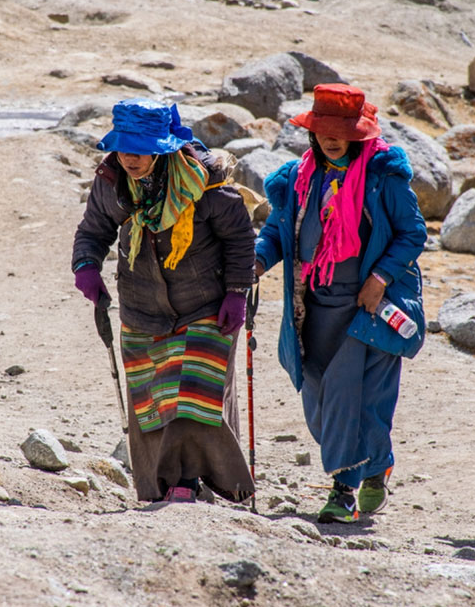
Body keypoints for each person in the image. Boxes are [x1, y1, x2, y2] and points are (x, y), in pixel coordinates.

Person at [255, 84, 428, 523]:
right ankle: (376, 463)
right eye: (324, 130)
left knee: (356, 399)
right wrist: (256, 261)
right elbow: (279, 232)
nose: (331, 138)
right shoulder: (298, 178)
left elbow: (413, 233)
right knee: (319, 399)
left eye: (341, 130)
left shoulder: (382, 178)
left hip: (367, 306)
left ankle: (343, 491)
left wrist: (379, 277)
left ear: (359, 133)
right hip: (312, 307)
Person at [71, 97, 256, 504]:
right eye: (125, 149)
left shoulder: (204, 184)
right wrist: (86, 265)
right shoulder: (112, 183)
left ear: (163, 148)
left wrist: (237, 292)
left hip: (205, 308)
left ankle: (190, 484)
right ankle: (166, 485)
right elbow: (92, 231)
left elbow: (241, 238)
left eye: (141, 150)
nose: (131, 159)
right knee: (154, 404)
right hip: (142, 309)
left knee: (193, 399)